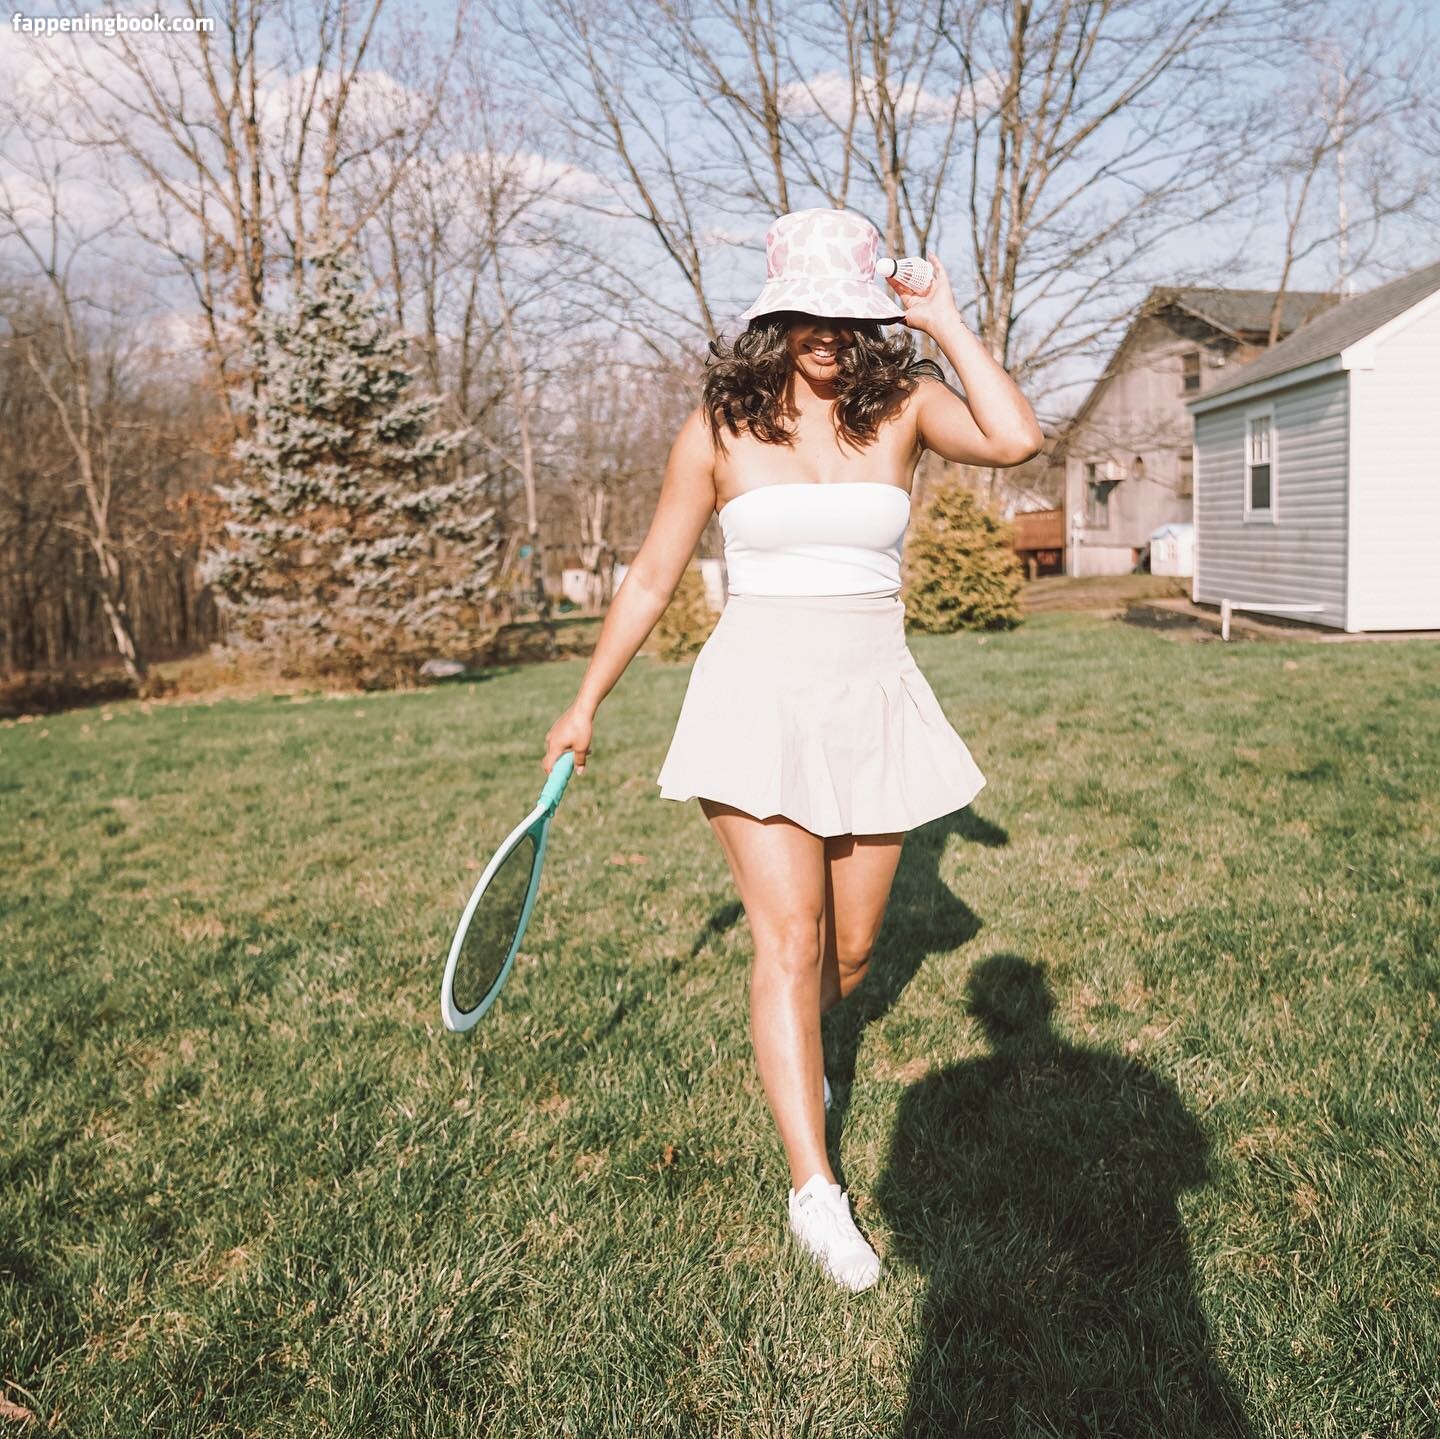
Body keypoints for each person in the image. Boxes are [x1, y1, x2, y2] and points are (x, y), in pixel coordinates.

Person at [542, 206, 1042, 1293]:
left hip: (871, 699)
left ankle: (797, 1057)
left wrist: (946, 321)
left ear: (871, 319)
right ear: (775, 317)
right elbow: (651, 574)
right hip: (755, 699)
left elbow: (1017, 440)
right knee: (790, 936)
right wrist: (585, 703)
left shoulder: (905, 406)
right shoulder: (720, 427)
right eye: (808, 311)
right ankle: (814, 1186)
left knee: (848, 954)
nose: (827, 331)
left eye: (848, 312)